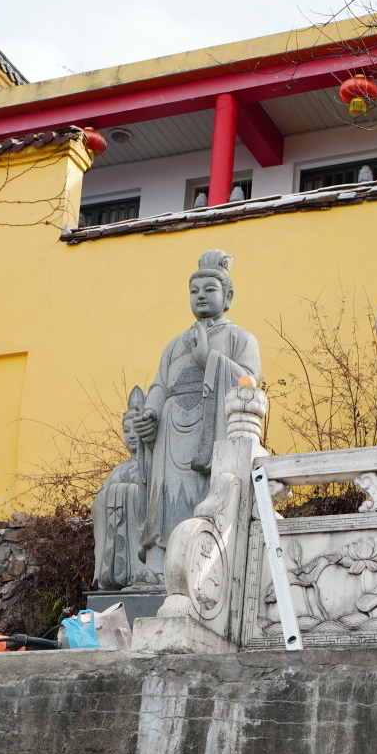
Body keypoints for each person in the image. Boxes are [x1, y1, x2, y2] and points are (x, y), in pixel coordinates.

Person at [92, 250, 261, 590]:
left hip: (208, 430)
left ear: (227, 297)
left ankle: (201, 562)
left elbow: (250, 383)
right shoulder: (174, 345)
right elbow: (159, 385)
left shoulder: (240, 338)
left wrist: (206, 358)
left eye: (209, 290)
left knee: (202, 495)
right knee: (163, 498)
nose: (200, 296)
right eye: (194, 291)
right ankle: (155, 568)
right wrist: (150, 415)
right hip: (170, 432)